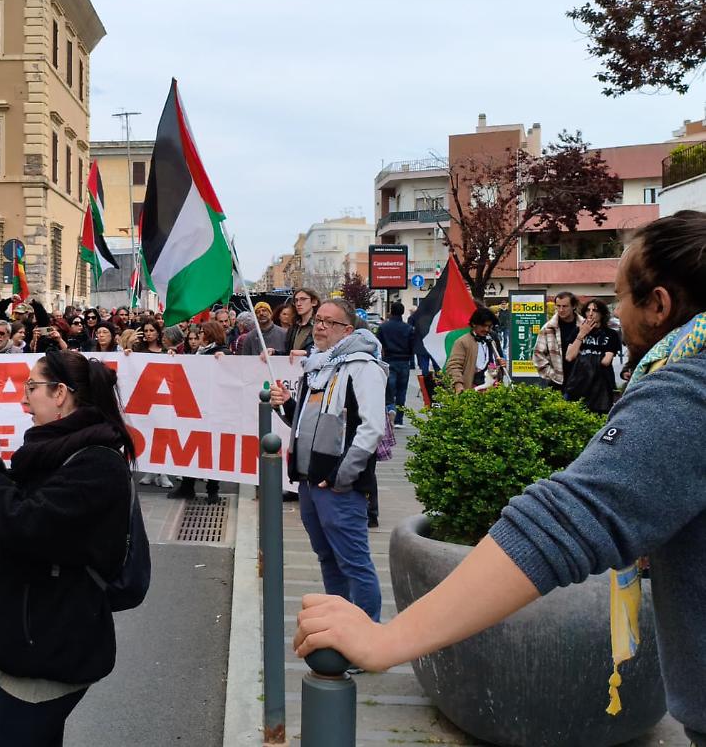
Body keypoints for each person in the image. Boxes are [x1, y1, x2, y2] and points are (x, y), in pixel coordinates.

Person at [292, 211, 706, 747]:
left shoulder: (689, 389)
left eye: (620, 298)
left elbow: (563, 523)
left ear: (659, 305)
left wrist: (388, 639)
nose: (611, 315)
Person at [0, 350, 135, 746]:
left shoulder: (96, 463)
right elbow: (9, 524)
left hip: (51, 643)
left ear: (61, 394)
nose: (22, 398)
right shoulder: (54, 451)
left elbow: (26, 525)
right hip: (37, 638)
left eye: (31, 387)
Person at [269, 298, 387, 621]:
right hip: (309, 483)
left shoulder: (364, 367)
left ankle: (367, 637)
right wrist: (285, 405)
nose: (319, 326)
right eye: (318, 320)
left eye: (329, 322)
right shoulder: (317, 365)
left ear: (348, 330)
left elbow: (371, 428)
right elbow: (304, 423)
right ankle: (341, 627)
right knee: (327, 559)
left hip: (338, 487)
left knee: (354, 564)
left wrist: (340, 476)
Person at [169, 321, 229, 504]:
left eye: (202, 332)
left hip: (214, 410)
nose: (200, 335)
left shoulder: (221, 352)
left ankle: (212, 490)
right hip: (195, 408)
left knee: (211, 450)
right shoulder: (198, 353)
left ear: (210, 334)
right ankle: (187, 486)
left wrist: (224, 358)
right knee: (192, 448)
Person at [563, 298, 619, 414]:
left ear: (602, 314)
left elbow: (606, 361)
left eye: (595, 310)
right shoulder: (577, 331)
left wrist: (584, 356)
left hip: (601, 386)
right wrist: (582, 335)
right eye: (588, 310)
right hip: (578, 383)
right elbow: (569, 356)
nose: (591, 313)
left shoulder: (611, 334)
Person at [445, 307, 506, 394]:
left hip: (492, 392)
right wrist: (458, 385)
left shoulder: (492, 341)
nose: (487, 330)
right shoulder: (462, 342)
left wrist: (501, 366)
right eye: (483, 326)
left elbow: (495, 366)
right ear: (474, 324)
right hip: (471, 390)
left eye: (489, 326)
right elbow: (454, 366)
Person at [376, 301, 414, 427]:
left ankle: (390, 409)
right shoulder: (408, 328)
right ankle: (399, 420)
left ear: (391, 311)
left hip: (389, 361)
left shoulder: (383, 327)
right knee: (402, 391)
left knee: (389, 390)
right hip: (404, 362)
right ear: (403, 312)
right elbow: (412, 346)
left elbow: (378, 345)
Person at [532, 291, 580, 392]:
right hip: (557, 382)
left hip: (581, 381)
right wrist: (552, 375)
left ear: (573, 306)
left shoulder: (583, 326)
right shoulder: (548, 328)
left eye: (565, 306)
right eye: (558, 306)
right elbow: (538, 354)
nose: (561, 310)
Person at [286, 288, 320, 356]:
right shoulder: (293, 328)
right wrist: (274, 352)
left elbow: (326, 351)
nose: (298, 304)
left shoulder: (320, 326)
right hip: (294, 365)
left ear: (314, 302)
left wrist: (307, 353)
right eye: (296, 300)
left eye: (303, 299)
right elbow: (288, 353)